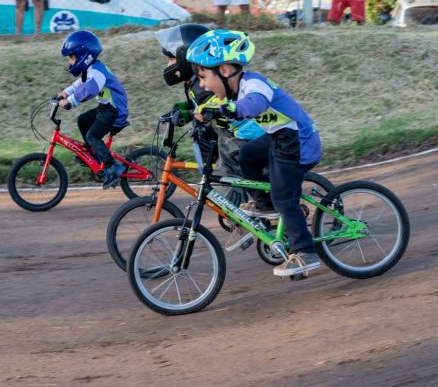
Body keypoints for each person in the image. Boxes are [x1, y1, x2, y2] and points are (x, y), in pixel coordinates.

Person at [186, 29, 323, 278]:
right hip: (280, 137)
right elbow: (212, 105)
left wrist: (225, 109)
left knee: (285, 198)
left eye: (204, 76)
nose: (202, 84)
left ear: (224, 70)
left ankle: (306, 253)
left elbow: (254, 105)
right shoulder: (231, 91)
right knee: (248, 153)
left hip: (298, 141)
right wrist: (190, 112)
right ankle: (263, 203)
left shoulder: (254, 83)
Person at [155, 24, 273, 252]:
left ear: (183, 57)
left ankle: (246, 222)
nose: (168, 66)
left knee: (224, 175)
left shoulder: (202, 84)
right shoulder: (193, 83)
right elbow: (195, 103)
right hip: (229, 133)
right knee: (221, 172)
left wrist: (191, 114)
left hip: (244, 134)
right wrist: (180, 109)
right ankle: (250, 210)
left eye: (170, 60)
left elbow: (210, 102)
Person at [57, 31, 129, 189]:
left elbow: (89, 89)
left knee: (92, 136)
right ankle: (94, 154)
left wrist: (70, 102)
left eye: (72, 57)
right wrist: (65, 92)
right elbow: (79, 84)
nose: (70, 62)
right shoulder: (91, 70)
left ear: (84, 55)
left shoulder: (97, 72)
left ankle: (112, 167)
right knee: (83, 120)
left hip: (115, 111)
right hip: (106, 108)